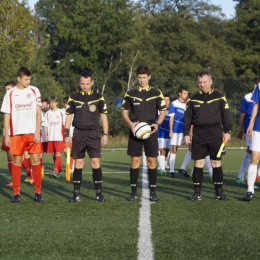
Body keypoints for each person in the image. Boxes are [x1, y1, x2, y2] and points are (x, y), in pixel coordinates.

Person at [184, 70, 231, 201]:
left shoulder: (219, 96)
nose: (202, 85)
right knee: (198, 163)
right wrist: (186, 134)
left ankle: (219, 193)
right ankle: (197, 193)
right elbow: (187, 118)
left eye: (205, 82)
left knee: (216, 163)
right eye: (200, 82)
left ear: (211, 82)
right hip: (198, 134)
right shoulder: (192, 98)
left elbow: (226, 115)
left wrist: (227, 131)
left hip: (215, 133)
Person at [121, 65, 166, 201]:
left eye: (144, 77)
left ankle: (153, 192)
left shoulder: (157, 93)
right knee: (135, 160)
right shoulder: (130, 93)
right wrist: (131, 125)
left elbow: (163, 111)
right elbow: (124, 112)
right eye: (139, 78)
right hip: (135, 132)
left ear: (149, 77)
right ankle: (133, 192)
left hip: (150, 132)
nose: (142, 80)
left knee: (152, 160)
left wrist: (157, 124)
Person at [1, 67, 44, 202]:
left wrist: (37, 131)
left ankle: (38, 192)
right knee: (17, 161)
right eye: (26, 79)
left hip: (32, 133)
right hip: (16, 134)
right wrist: (7, 135)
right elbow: (7, 115)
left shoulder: (34, 90)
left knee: (35, 161)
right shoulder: (10, 94)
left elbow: (38, 113)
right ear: (18, 78)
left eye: (29, 79)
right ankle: (16, 193)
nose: (28, 81)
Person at [64, 70, 108, 202]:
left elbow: (104, 117)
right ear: (79, 82)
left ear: (92, 83)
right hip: (78, 133)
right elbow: (68, 117)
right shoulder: (73, 97)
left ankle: (98, 193)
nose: (85, 86)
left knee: (95, 162)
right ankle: (76, 194)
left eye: (87, 84)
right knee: (79, 163)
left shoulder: (99, 97)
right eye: (83, 83)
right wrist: (67, 134)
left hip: (93, 133)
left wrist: (105, 133)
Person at [236, 77, 260, 185]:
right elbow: (242, 114)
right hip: (253, 129)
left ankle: (253, 176)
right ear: (255, 85)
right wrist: (240, 129)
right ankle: (242, 176)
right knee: (251, 151)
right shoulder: (247, 98)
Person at [243, 79, 260, 201]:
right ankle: (250, 190)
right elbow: (256, 104)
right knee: (254, 158)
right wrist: (251, 124)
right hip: (258, 126)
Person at [168, 86, 189, 178]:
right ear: (179, 93)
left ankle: (182, 167)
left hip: (185, 131)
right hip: (176, 130)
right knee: (174, 149)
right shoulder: (174, 104)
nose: (186, 95)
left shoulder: (188, 104)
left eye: (187, 93)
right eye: (184, 93)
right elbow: (171, 118)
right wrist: (171, 130)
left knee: (192, 148)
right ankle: (172, 171)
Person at [44, 96, 65, 178]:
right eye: (51, 103)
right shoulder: (47, 113)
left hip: (59, 137)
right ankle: (60, 170)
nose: (52, 104)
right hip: (51, 137)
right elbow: (45, 125)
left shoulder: (61, 112)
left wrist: (66, 135)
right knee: (53, 154)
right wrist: (46, 135)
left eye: (54, 102)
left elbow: (64, 124)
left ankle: (55, 171)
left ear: (57, 103)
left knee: (58, 153)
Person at [2, 81, 16, 187]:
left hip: (16, 132)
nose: (7, 91)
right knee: (9, 156)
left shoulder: (17, 100)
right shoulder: (6, 100)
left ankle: (30, 174)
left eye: (9, 89)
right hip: (7, 132)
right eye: (5, 89)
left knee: (18, 156)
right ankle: (13, 180)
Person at [157, 94, 171, 176]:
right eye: (164, 100)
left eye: (167, 100)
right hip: (160, 133)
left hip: (169, 133)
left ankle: (165, 163)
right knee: (161, 149)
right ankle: (161, 167)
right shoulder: (159, 110)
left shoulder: (172, 110)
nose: (166, 101)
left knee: (167, 150)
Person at [40, 98, 50, 177]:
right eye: (42, 105)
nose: (42, 107)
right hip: (41, 138)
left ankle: (57, 169)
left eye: (44, 105)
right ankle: (40, 167)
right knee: (40, 153)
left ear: (48, 105)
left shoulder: (52, 113)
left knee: (55, 153)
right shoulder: (39, 113)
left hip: (52, 137)